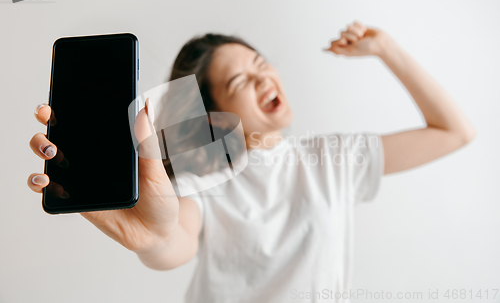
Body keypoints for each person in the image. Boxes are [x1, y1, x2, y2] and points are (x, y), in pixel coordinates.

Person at [28, 21, 476, 302]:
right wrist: (153, 240)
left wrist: (387, 49)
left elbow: (454, 132)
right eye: (242, 79)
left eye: (262, 64)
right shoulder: (202, 177)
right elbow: (175, 242)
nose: (264, 76)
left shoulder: (331, 160)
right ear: (211, 112)